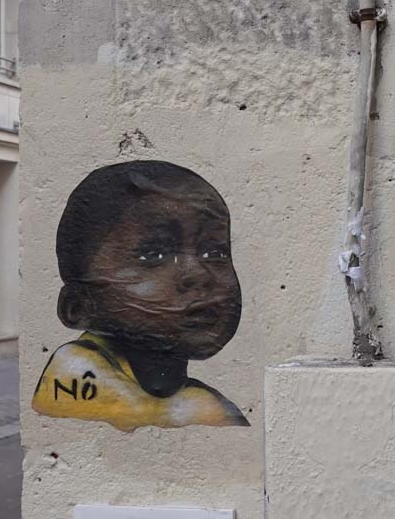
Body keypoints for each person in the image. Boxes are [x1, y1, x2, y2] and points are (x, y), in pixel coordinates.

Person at [32, 160, 247, 430]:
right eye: (153, 254)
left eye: (214, 252)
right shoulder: (74, 376)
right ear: (78, 307)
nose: (198, 273)